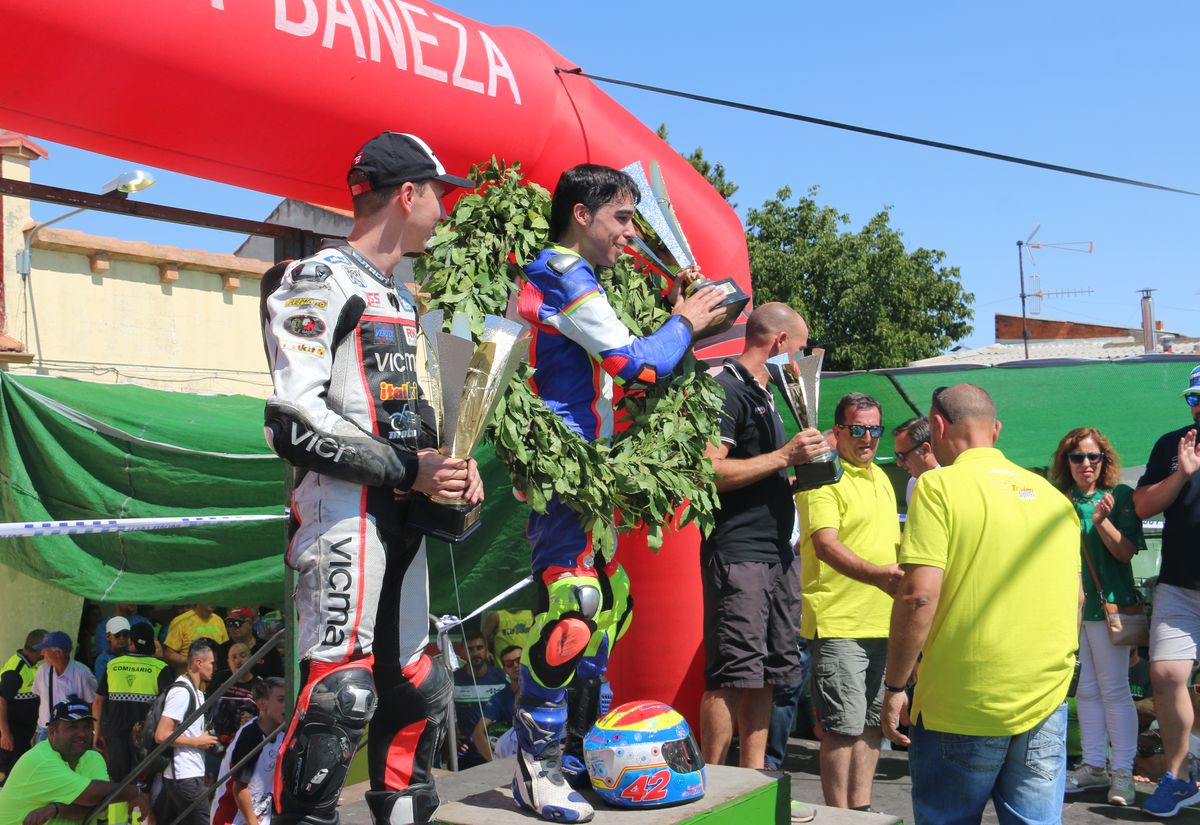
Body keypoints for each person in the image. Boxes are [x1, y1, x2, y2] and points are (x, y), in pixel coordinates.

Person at [260, 130, 481, 825]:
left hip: (403, 512)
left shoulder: (404, 297)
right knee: (340, 696)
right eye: (439, 193)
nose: (444, 210)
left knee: (418, 685)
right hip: (342, 511)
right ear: (408, 194)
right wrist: (405, 468)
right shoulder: (317, 279)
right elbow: (291, 421)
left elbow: (405, 418)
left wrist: (451, 466)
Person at [513, 163, 726, 822]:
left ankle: (577, 755)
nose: (631, 233)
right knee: (572, 610)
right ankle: (535, 765)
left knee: (605, 611)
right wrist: (685, 322)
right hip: (564, 473)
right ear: (581, 213)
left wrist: (688, 317)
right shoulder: (562, 272)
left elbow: (638, 357)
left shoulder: (586, 278)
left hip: (592, 475)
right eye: (622, 218)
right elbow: (634, 361)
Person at [881, 384, 1081, 824]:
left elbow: (919, 596)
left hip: (962, 699)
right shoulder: (1053, 498)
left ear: (936, 426)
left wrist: (895, 687)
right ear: (997, 430)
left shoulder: (937, 487)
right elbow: (1077, 598)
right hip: (1044, 698)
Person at [699, 303, 826, 772]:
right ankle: (709, 791)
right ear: (779, 343)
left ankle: (753, 781)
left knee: (768, 674)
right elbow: (708, 470)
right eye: (800, 349)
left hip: (777, 556)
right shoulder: (726, 387)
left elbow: (763, 470)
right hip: (739, 554)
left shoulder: (766, 394)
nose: (800, 360)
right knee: (731, 675)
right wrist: (784, 458)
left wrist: (803, 470)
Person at [795, 391, 900, 811]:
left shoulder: (881, 478)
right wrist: (878, 576)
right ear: (837, 432)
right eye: (858, 429)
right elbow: (824, 545)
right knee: (841, 728)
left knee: (873, 724)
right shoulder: (822, 475)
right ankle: (838, 816)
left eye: (875, 429)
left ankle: (862, 810)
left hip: (883, 620)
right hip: (839, 623)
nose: (868, 438)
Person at [1049, 427, 1145, 805]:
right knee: (1086, 691)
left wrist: (1103, 521)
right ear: (1066, 462)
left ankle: (1122, 772)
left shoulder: (1120, 496)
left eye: (1093, 457)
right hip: (1071, 609)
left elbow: (1125, 553)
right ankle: (1093, 765)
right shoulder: (1059, 500)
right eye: (1077, 457)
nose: (1085, 464)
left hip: (1109, 610)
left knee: (1114, 689)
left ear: (1104, 460)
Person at [1134, 363, 1200, 816]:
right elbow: (1140, 506)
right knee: (1166, 677)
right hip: (1179, 587)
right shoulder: (1171, 446)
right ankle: (1177, 779)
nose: (1199, 407)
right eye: (1193, 399)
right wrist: (1182, 474)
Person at [0, 696, 152, 825]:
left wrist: (56, 809)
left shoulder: (93, 757)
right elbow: (90, 795)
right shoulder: (41, 759)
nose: (82, 733)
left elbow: (101, 805)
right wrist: (134, 792)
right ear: (52, 732)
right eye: (72, 727)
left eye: (86, 727)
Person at [92, 623, 172, 825]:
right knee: (140, 784)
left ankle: (116, 822)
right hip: (144, 738)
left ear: (131, 642)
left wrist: (96, 732)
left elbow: (98, 701)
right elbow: (171, 704)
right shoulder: (160, 667)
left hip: (115, 734)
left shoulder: (113, 665)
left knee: (118, 783)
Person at [153, 638, 218, 825]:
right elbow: (162, 735)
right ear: (198, 663)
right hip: (183, 776)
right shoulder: (182, 691)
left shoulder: (197, 692)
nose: (214, 667)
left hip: (188, 774)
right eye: (211, 663)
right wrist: (198, 742)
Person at [210, 678, 287, 825]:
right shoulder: (250, 737)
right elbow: (239, 788)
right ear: (262, 704)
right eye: (281, 700)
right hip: (232, 818)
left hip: (259, 814)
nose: (286, 705)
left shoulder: (281, 732)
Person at [451, 633, 506, 769]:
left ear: (486, 649)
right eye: (470, 649)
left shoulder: (502, 678)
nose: (475, 653)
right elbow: (445, 713)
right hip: (465, 756)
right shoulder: (452, 680)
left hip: (497, 753)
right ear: (462, 652)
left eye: (479, 648)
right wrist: (452, 735)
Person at [0, 629, 46, 786]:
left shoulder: (32, 665)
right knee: (7, 774)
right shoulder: (15, 670)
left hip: (22, 735)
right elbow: (1, 700)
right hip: (11, 736)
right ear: (40, 649)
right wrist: (5, 734)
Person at [31, 633, 97, 743]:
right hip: (44, 730)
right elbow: (40, 698)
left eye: (45, 650)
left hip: (70, 732)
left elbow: (93, 705)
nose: (42, 654)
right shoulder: (42, 671)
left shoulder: (82, 674)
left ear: (58, 653)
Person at [471, 645, 522, 761]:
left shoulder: (541, 690)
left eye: (519, 661)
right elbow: (478, 734)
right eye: (509, 663)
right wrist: (495, 763)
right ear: (504, 670)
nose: (515, 665)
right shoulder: (500, 697)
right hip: (512, 759)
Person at [162, 605, 228, 672]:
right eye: (209, 596)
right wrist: (193, 662)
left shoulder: (219, 621)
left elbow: (225, 650)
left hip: (215, 678)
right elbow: (169, 655)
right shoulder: (180, 621)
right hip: (189, 679)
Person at [891, 416, 939, 506]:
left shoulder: (953, 482)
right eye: (897, 456)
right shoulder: (913, 484)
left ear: (925, 450)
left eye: (902, 456)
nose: (899, 463)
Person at [93, 617, 131, 682]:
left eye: (125, 634)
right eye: (117, 635)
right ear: (108, 636)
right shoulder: (103, 660)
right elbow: (103, 688)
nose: (122, 638)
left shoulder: (133, 656)